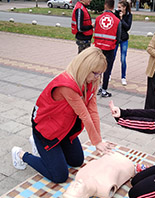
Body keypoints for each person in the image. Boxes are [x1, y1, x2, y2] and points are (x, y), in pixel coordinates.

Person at [11, 47, 112, 183]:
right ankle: (21, 154)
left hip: (64, 129)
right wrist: (96, 142)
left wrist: (98, 139)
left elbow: (93, 111)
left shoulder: (91, 82)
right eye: (95, 73)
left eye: (100, 74)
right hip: (47, 131)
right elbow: (84, 115)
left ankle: (42, 150)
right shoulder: (67, 85)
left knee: (77, 161)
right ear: (85, 68)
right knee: (60, 176)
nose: (98, 77)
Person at [94, 0, 121, 98]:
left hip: (98, 47)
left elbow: (95, 30)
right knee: (107, 69)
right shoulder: (117, 20)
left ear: (105, 5)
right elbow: (118, 37)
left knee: (96, 69)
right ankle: (104, 90)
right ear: (113, 6)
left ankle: (95, 88)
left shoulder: (98, 19)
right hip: (110, 48)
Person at [113, 0, 133, 86]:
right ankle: (109, 74)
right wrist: (116, 16)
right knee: (112, 57)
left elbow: (127, 27)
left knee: (123, 59)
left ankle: (123, 77)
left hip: (124, 39)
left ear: (124, 8)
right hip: (116, 39)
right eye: (118, 7)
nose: (118, 9)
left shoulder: (129, 15)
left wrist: (121, 19)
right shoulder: (116, 14)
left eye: (120, 7)